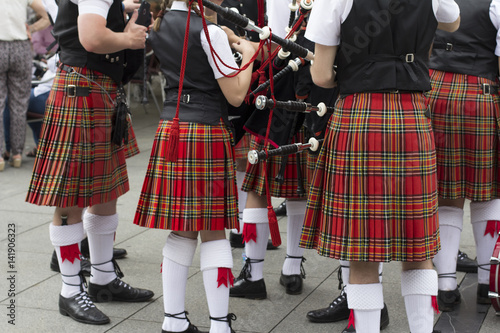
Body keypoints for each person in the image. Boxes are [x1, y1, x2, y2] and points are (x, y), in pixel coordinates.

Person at [300, 2, 460, 333]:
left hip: (359, 117)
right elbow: (453, 22)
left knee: (362, 253)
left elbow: (321, 75)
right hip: (411, 117)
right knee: (418, 250)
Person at [26, 0, 154, 325]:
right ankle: (70, 291)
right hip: (83, 91)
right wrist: (128, 39)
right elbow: (92, 38)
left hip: (95, 90)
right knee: (69, 202)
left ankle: (103, 277)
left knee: (105, 196)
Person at [133, 0, 254, 332]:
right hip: (204, 129)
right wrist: (250, 52)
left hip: (171, 125)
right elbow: (236, 95)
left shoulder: (161, 22)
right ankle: (219, 325)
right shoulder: (209, 31)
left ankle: (173, 321)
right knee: (214, 231)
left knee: (182, 228)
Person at [426, 0, 500, 312]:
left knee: (447, 192)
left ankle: (445, 285)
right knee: (489, 192)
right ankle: (487, 282)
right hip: (481, 94)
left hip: (436, 92)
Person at [0, 0, 50, 171]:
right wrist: (31, 29)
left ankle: (0, 155)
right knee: (19, 103)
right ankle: (17, 154)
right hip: (21, 46)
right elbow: (47, 15)